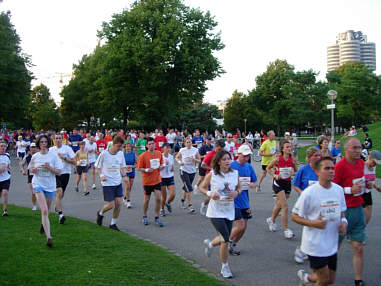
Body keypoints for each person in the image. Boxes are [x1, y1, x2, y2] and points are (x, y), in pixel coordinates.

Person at [292, 157, 347, 286]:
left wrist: (344, 223)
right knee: (323, 279)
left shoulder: (338, 190)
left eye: (332, 168)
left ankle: (306, 278)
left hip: (332, 244)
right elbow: (294, 216)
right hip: (314, 245)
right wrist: (314, 223)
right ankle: (308, 278)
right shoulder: (309, 193)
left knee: (330, 280)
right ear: (317, 172)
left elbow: (342, 213)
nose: (331, 171)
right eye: (327, 168)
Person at [200, 150, 240, 279]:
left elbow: (239, 187)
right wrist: (210, 194)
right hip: (215, 211)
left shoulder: (235, 174)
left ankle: (211, 244)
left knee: (225, 237)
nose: (227, 161)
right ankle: (225, 267)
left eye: (229, 159)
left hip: (229, 210)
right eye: (224, 159)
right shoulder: (212, 174)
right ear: (218, 161)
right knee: (226, 239)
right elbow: (202, 187)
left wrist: (237, 193)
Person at [333, 137, 367, 286]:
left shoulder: (361, 162)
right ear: (346, 149)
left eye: (359, 148)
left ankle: (358, 280)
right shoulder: (340, 166)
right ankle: (322, 276)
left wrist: (368, 184)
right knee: (335, 248)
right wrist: (349, 190)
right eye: (355, 148)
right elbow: (332, 188)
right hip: (343, 212)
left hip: (358, 208)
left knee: (358, 247)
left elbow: (360, 180)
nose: (358, 151)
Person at [28, 135, 63, 247]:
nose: (43, 144)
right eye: (41, 142)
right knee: (44, 210)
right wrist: (32, 170)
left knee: (46, 211)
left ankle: (44, 224)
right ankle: (49, 237)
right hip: (38, 184)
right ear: (38, 144)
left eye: (45, 142)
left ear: (48, 143)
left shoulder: (53, 156)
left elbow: (59, 172)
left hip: (50, 185)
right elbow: (30, 168)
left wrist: (50, 168)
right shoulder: (35, 156)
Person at [292, 147, 321, 263]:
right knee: (310, 227)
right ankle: (301, 250)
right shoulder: (303, 170)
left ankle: (306, 250)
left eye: (319, 155)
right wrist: (302, 193)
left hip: (319, 204)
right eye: (315, 156)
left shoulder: (321, 170)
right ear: (309, 158)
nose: (318, 158)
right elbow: (295, 184)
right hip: (306, 204)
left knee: (314, 229)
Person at [95, 136, 129, 231]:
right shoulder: (104, 154)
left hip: (117, 181)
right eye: (118, 146)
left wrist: (124, 176)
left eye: (121, 147)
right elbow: (97, 166)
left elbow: (121, 166)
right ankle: (100, 213)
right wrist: (101, 175)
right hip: (107, 182)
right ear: (114, 144)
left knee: (118, 204)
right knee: (111, 205)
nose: (120, 148)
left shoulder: (121, 154)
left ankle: (113, 224)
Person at [229, 145, 257, 256]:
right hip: (233, 200)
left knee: (244, 228)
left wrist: (251, 185)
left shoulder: (249, 167)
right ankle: (226, 242)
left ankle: (233, 244)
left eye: (248, 155)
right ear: (238, 154)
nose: (246, 158)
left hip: (245, 201)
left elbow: (256, 182)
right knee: (240, 226)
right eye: (244, 155)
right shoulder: (231, 165)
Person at [266, 139, 298, 239]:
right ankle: (286, 230)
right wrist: (274, 175)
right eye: (287, 147)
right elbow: (268, 168)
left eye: (290, 147)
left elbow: (295, 170)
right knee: (285, 206)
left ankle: (271, 220)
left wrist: (293, 172)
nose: (289, 148)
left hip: (287, 183)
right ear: (283, 149)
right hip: (278, 183)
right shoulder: (278, 159)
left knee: (279, 204)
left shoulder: (292, 159)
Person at [137, 137, 165, 226]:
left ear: (155, 144)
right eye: (149, 144)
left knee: (158, 198)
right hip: (147, 181)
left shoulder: (158, 153)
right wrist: (146, 170)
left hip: (157, 179)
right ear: (146, 145)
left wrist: (162, 167)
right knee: (147, 199)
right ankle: (144, 216)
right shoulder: (143, 155)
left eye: (152, 143)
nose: (151, 145)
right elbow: (138, 168)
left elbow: (162, 163)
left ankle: (157, 217)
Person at [49, 134, 76, 224]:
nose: (58, 140)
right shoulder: (51, 150)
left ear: (63, 139)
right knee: (59, 192)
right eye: (56, 138)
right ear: (54, 140)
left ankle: (57, 205)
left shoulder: (67, 149)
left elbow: (74, 161)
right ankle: (61, 215)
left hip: (66, 173)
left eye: (60, 138)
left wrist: (64, 158)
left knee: (61, 194)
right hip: (55, 173)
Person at [175, 138, 201, 213]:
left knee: (186, 187)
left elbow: (199, 160)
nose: (188, 143)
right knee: (189, 187)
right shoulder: (182, 150)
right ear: (185, 143)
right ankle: (190, 205)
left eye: (190, 142)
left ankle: (182, 200)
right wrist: (180, 162)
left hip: (192, 171)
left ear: (191, 143)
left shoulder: (195, 150)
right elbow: (176, 157)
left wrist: (195, 160)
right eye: (187, 142)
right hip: (183, 170)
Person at [362, 150, 381, 225]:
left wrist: (377, 187)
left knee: (368, 217)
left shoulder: (374, 167)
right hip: (361, 194)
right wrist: (365, 183)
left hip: (368, 193)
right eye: (374, 162)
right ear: (369, 157)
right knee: (364, 214)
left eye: (376, 163)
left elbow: (372, 180)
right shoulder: (362, 166)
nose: (375, 164)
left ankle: (361, 230)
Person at [20, 142, 38, 210]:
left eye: (34, 147)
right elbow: (22, 164)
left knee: (40, 191)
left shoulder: (39, 155)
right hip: (30, 175)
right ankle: (34, 205)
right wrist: (23, 170)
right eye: (32, 147)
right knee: (33, 191)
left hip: (38, 175)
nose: (33, 148)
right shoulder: (27, 156)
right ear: (30, 148)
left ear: (36, 148)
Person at [160, 143, 175, 216]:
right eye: (167, 147)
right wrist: (164, 164)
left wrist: (172, 168)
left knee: (173, 194)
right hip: (162, 178)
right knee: (164, 196)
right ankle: (162, 209)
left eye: (169, 147)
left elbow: (172, 166)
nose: (168, 149)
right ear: (163, 148)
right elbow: (158, 168)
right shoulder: (160, 156)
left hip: (170, 177)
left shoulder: (171, 156)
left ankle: (168, 203)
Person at [122, 142, 136, 208]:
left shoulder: (133, 154)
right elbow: (120, 164)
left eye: (129, 147)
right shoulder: (122, 155)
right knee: (127, 186)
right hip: (125, 172)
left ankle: (125, 197)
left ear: (131, 148)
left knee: (130, 187)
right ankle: (128, 201)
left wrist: (133, 166)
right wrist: (126, 166)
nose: (128, 148)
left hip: (132, 172)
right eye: (126, 147)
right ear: (124, 148)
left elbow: (138, 163)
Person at [0, 140, 11, 216]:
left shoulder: (7, 155)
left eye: (4, 146)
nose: (3, 148)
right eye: (1, 146)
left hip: (6, 178)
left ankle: (4, 210)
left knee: (5, 192)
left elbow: (8, 164)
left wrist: (9, 167)